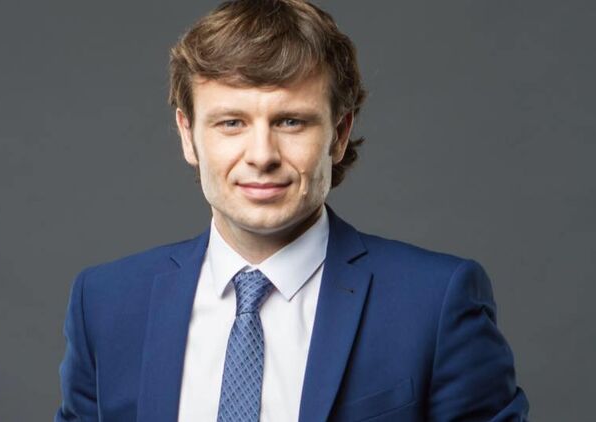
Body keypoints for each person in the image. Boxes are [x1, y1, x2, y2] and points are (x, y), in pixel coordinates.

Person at [54, 1, 529, 421]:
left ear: (339, 134)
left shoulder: (435, 303)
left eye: (290, 121)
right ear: (187, 135)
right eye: (231, 123)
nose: (262, 155)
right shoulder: (105, 305)